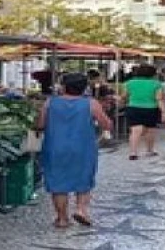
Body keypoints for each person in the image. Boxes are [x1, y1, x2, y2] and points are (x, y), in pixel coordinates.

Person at [38, 72, 111, 228]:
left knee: (58, 183)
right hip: (83, 146)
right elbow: (106, 124)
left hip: (55, 146)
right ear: (85, 88)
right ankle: (81, 210)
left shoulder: (50, 102)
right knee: (84, 179)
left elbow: (41, 124)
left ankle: (62, 218)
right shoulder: (91, 103)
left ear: (63, 86)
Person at [120, 64, 165, 160]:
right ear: (153, 74)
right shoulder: (157, 84)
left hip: (133, 108)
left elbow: (124, 96)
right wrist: (164, 112)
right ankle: (149, 150)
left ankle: (133, 152)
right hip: (151, 109)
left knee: (135, 130)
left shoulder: (129, 83)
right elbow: (159, 99)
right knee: (150, 130)